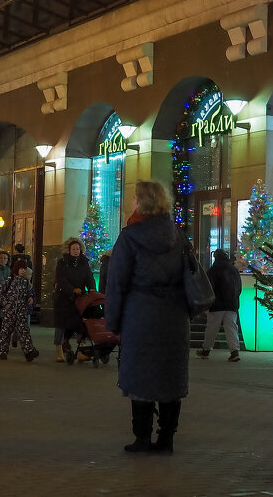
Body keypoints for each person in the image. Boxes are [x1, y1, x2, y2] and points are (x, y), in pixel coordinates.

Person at [105, 181, 189, 454]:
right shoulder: (177, 235)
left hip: (140, 315)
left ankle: (142, 438)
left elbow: (116, 283)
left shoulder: (130, 236)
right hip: (174, 317)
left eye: (134, 198)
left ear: (141, 202)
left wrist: (113, 322)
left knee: (140, 377)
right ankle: (167, 439)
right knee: (170, 377)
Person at [196, 249, 243, 362]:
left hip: (217, 304)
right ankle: (234, 352)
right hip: (232, 304)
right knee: (231, 327)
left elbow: (208, 287)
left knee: (212, 328)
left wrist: (206, 303)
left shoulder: (213, 270)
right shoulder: (234, 270)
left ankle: (206, 350)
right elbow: (239, 287)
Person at [53, 238, 95, 364]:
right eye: (73, 249)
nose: (76, 251)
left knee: (81, 324)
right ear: (68, 250)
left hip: (80, 298)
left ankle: (81, 350)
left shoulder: (84, 263)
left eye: (78, 249)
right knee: (61, 325)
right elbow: (61, 280)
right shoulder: (62, 263)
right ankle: (59, 350)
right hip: (63, 298)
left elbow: (89, 277)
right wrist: (72, 290)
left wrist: (92, 288)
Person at [0, 262, 39, 361]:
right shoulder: (9, 280)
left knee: (24, 331)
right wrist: (5, 303)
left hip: (21, 310)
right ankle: (2, 351)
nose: (23, 271)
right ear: (16, 269)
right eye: (21, 269)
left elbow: (30, 293)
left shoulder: (26, 282)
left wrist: (30, 298)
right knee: (6, 331)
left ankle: (29, 351)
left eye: (24, 269)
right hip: (9, 311)